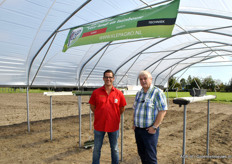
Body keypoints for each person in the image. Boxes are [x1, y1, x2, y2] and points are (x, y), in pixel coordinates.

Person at [89, 69, 127, 164]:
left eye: (110, 77)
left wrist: (114, 115)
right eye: (106, 77)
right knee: (97, 148)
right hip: (99, 125)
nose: (108, 79)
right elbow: (93, 107)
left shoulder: (119, 93)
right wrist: (100, 114)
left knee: (114, 148)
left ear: (113, 79)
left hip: (113, 126)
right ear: (103, 78)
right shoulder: (96, 92)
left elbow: (122, 108)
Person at [132, 70, 168, 164]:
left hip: (149, 131)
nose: (143, 81)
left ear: (151, 79)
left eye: (145, 78)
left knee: (151, 157)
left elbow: (163, 110)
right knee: (142, 154)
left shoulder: (157, 92)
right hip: (138, 130)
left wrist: (155, 127)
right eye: (141, 79)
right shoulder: (139, 93)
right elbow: (135, 109)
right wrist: (134, 124)